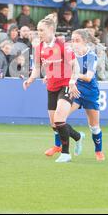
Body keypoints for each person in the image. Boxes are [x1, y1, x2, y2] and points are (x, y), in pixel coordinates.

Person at [23, 14, 84, 163]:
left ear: (51, 30)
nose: (39, 33)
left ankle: (65, 153)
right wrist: (31, 79)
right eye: (38, 30)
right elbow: (37, 67)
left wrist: (72, 81)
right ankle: (77, 136)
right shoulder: (39, 48)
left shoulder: (63, 45)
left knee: (59, 119)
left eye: (42, 30)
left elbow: (76, 66)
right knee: (54, 124)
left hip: (66, 85)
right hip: (51, 86)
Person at [67, 29, 105, 161]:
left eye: (77, 40)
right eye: (72, 40)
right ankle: (59, 146)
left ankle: (98, 151)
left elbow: (89, 77)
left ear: (84, 41)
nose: (74, 43)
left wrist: (73, 76)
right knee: (60, 118)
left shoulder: (91, 56)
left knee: (94, 127)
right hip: (76, 89)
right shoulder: (69, 53)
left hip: (90, 92)